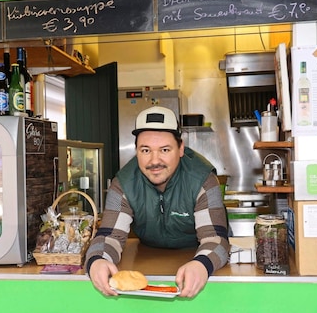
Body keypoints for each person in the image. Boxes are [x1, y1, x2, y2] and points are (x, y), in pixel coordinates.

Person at [85, 106, 230, 298]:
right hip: (148, 257)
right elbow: (109, 236)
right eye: (145, 150)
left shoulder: (202, 179)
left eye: (164, 150)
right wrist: (97, 260)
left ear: (180, 149)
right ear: (136, 151)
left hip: (198, 255)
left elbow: (215, 239)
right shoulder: (124, 183)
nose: (155, 161)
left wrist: (203, 264)